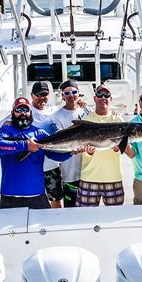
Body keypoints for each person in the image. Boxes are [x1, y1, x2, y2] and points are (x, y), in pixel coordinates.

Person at [0, 97, 71, 209]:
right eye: (18, 110)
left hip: (37, 196)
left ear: (31, 112)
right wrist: (26, 145)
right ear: (12, 113)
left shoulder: (40, 133)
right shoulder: (5, 131)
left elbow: (54, 154)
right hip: (10, 197)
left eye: (25, 109)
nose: (22, 113)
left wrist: (72, 151)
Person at [75, 84, 130, 207]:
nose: (103, 97)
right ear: (94, 98)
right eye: (99, 95)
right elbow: (80, 146)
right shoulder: (87, 120)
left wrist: (118, 149)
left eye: (106, 95)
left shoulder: (118, 120)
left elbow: (127, 150)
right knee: (85, 216)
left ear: (111, 99)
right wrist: (88, 152)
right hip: (89, 177)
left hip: (113, 178)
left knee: (115, 218)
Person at [51, 79, 92, 207]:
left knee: (88, 208)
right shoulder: (56, 116)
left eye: (74, 92)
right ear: (62, 95)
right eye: (67, 93)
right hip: (70, 171)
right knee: (71, 207)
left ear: (79, 93)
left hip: (89, 171)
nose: (71, 95)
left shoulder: (87, 112)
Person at [29, 81, 64, 208]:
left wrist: (83, 105)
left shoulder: (55, 110)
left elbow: (71, 112)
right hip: (32, 165)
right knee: (32, 199)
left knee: (56, 199)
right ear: (32, 95)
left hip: (52, 164)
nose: (42, 98)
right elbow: (2, 123)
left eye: (45, 94)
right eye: (39, 95)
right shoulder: (26, 111)